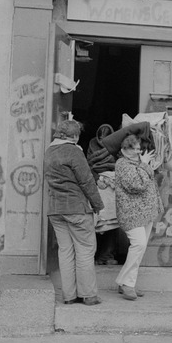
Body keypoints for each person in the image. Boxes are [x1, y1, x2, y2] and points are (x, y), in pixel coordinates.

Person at [44, 119, 104, 305]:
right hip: (77, 208)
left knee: (66, 252)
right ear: (75, 136)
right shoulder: (73, 151)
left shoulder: (49, 152)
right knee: (85, 251)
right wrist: (98, 206)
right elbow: (86, 181)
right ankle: (88, 295)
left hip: (56, 210)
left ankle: (69, 296)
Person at [114, 134, 163, 301]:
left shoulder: (137, 163)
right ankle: (127, 283)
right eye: (132, 149)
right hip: (131, 213)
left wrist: (143, 164)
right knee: (139, 244)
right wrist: (145, 164)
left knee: (140, 248)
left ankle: (126, 282)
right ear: (123, 150)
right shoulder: (122, 164)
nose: (136, 152)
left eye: (138, 149)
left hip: (145, 212)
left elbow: (149, 179)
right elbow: (137, 185)